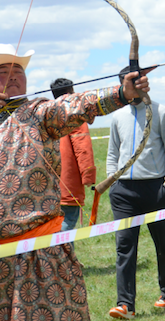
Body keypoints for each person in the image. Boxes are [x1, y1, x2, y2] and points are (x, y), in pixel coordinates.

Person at [0, 44, 150, 321]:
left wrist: (122, 93)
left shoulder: (39, 113)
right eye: (3, 71)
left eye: (18, 71)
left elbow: (76, 105)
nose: (13, 75)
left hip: (35, 256)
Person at [106, 67, 165, 319]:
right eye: (127, 83)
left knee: (164, 243)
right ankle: (125, 304)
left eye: (136, 82)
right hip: (123, 192)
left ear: (144, 83)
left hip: (155, 188)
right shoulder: (118, 116)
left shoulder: (162, 112)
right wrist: (113, 181)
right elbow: (112, 152)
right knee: (124, 247)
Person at [50, 78, 97, 231]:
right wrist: (88, 176)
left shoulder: (47, 114)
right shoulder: (75, 115)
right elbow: (82, 147)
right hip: (68, 185)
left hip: (45, 187)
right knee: (66, 226)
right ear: (70, 92)